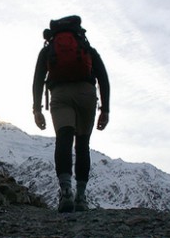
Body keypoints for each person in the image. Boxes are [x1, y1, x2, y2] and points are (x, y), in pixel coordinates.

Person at [32, 15, 110, 212]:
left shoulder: (48, 50)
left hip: (60, 94)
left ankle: (66, 192)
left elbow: (38, 79)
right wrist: (105, 109)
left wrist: (37, 110)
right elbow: (103, 77)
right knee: (82, 144)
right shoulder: (86, 48)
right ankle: (81, 197)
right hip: (86, 94)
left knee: (64, 140)